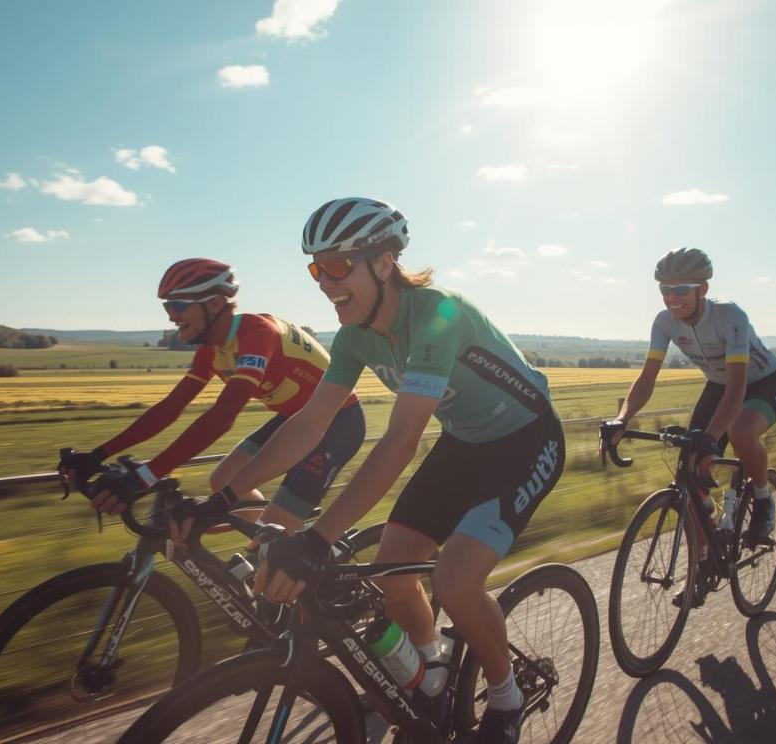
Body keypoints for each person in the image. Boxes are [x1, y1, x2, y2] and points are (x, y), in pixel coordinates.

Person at [168, 198, 564, 744]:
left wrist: (319, 538)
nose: (325, 283)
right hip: (465, 444)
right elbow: (309, 424)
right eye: (316, 269)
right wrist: (222, 499)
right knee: (394, 576)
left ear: (383, 262)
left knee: (453, 578)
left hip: (525, 440)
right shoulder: (353, 334)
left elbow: (400, 441)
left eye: (337, 266)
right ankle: (433, 669)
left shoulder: (437, 315)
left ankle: (506, 696)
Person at [60, 258, 365, 535]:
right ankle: (277, 540)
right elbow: (170, 408)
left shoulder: (258, 334)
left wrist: (144, 477)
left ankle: (291, 550)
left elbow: (221, 418)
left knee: (272, 536)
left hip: (340, 421)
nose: (171, 317)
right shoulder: (212, 351)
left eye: (177, 306)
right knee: (223, 481)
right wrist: (99, 454)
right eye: (167, 307)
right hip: (294, 418)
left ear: (216, 303)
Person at [600, 247, 776, 606]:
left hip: (764, 383)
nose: (671, 298)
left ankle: (764, 500)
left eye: (680, 290)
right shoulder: (664, 322)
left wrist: (710, 437)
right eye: (664, 290)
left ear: (702, 288)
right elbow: (647, 378)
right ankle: (704, 559)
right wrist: (622, 419)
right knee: (691, 468)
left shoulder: (730, 316)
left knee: (740, 433)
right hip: (720, 385)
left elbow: (738, 388)